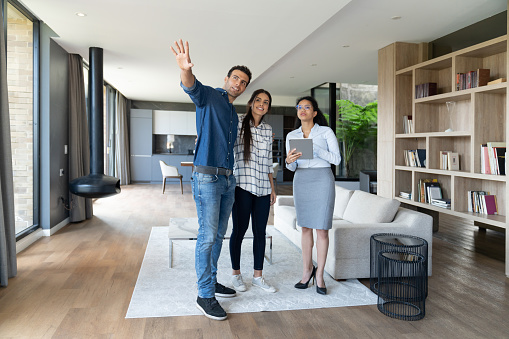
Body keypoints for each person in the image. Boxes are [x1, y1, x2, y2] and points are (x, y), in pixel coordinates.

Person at [171, 39, 252, 320]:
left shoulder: (232, 112)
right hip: (207, 177)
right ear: (227, 79)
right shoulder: (209, 96)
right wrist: (185, 69)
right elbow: (191, 86)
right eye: (235, 78)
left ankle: (212, 281)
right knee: (206, 237)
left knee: (219, 235)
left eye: (243, 83)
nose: (238, 84)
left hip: (227, 180)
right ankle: (204, 295)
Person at [285, 96, 340, 295]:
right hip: (301, 180)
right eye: (299, 107)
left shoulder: (325, 132)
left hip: (323, 179)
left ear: (315, 112)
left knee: (322, 230)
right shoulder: (292, 135)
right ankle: (307, 271)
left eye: (307, 107)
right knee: (305, 228)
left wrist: (315, 149)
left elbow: (337, 159)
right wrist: (289, 160)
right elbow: (291, 166)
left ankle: (320, 275)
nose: (302, 110)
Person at [229, 89, 277, 294]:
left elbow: (268, 163)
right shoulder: (238, 122)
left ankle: (258, 276)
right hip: (242, 186)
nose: (261, 104)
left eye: (266, 102)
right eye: (258, 100)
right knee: (239, 232)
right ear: (250, 103)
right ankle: (236, 275)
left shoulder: (268, 130)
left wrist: (273, 189)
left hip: (263, 189)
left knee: (260, 233)